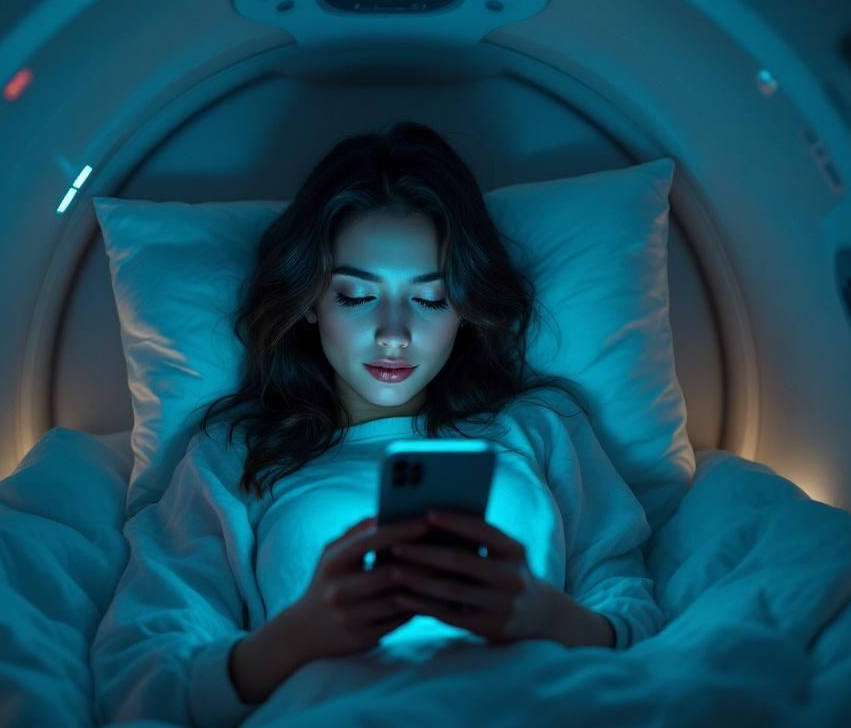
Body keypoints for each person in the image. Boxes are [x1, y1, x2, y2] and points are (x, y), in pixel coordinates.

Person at [90, 121, 664, 727]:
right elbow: (140, 672)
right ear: (311, 299)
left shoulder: (540, 427)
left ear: (465, 309)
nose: (394, 333)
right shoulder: (237, 455)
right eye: (358, 297)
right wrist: (294, 640)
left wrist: (548, 619)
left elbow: (635, 614)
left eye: (431, 299)